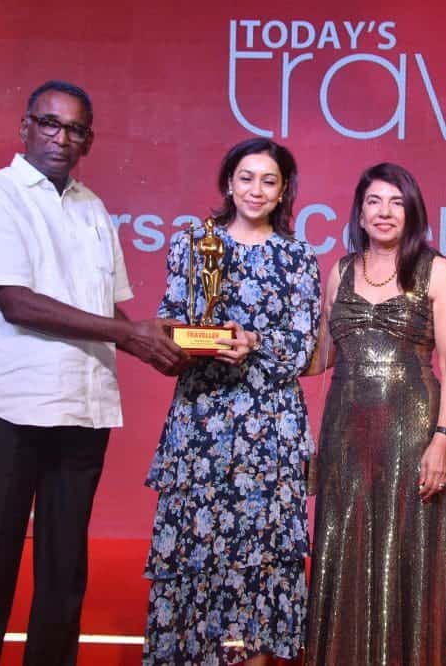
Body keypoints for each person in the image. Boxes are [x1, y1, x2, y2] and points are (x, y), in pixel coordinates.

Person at [0, 80, 184, 666]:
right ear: (25, 126)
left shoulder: (92, 208)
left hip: (82, 407)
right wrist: (130, 334)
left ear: (88, 141)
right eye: (49, 124)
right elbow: (17, 302)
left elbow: (108, 308)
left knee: (63, 575)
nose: (61, 138)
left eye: (75, 130)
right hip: (8, 408)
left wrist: (152, 345)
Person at [142, 138, 322, 666]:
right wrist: (199, 341)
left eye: (269, 180)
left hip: (270, 426)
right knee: (195, 552)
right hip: (201, 420)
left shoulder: (299, 258)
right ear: (228, 182)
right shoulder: (192, 244)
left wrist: (254, 344)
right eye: (246, 178)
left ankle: (255, 656)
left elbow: (301, 346)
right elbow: (170, 323)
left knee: (263, 557)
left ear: (284, 190)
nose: (256, 190)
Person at [305, 163, 446, 666]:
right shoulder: (339, 270)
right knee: (342, 546)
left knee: (408, 552)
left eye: (396, 202)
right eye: (374, 201)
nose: (385, 212)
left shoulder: (436, 270)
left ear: (413, 210)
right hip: (345, 433)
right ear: (359, 210)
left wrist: (443, 438)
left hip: (412, 431)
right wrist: (255, 351)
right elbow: (323, 355)